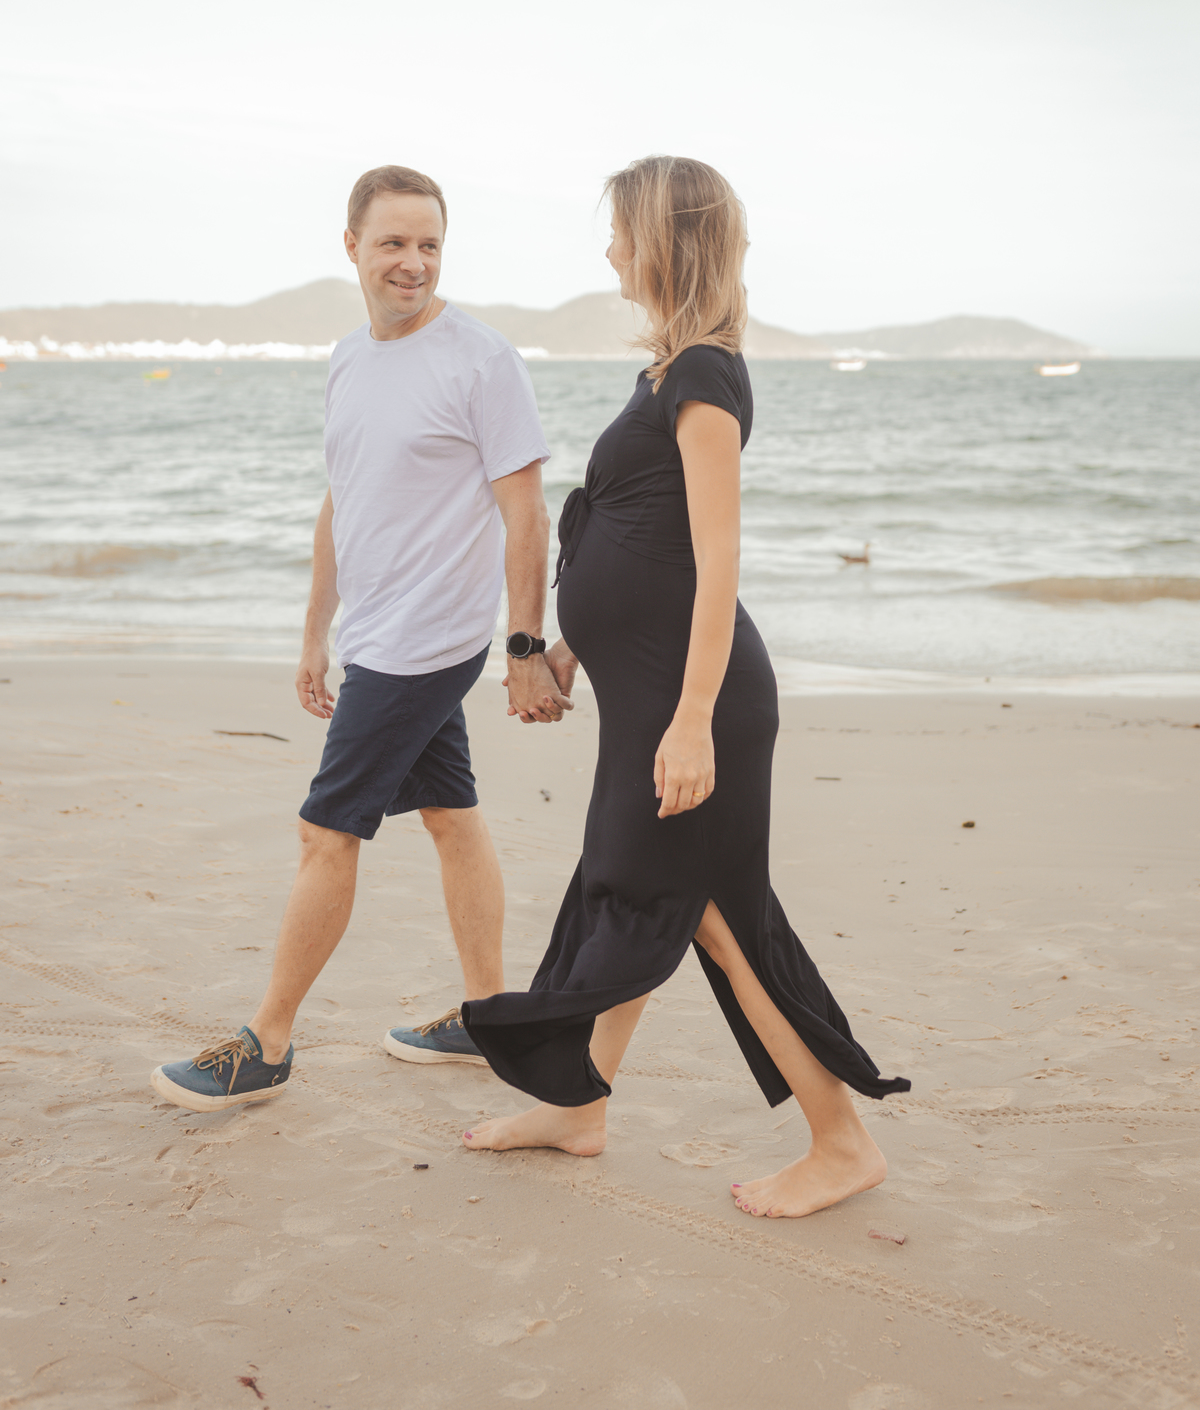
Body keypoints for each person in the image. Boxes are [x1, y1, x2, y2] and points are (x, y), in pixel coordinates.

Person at [460, 155, 910, 1219]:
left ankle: (842, 1141)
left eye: (621, 230)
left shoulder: (706, 375)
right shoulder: (664, 373)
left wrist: (694, 719)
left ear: (665, 238)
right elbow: (640, 549)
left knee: (708, 912)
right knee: (631, 889)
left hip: (698, 704)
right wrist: (567, 653)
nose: (609, 248)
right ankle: (579, 1103)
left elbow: (718, 559)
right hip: (654, 696)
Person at [151, 164, 569, 1112]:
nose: (412, 263)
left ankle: (268, 1043)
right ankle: (486, 1014)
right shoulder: (348, 358)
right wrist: (315, 632)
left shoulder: (482, 360)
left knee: (324, 832)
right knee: (451, 815)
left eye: (429, 244)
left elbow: (527, 514)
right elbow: (343, 502)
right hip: (374, 634)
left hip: (429, 643)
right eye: (393, 242)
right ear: (352, 246)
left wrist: (520, 647)